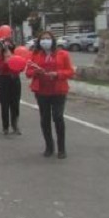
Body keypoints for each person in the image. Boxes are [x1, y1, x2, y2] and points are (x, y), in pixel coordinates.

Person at [26, 31, 74, 159]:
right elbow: (28, 72)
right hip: (42, 91)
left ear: (53, 40)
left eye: (48, 39)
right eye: (43, 39)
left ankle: (61, 148)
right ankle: (49, 146)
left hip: (58, 91)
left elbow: (70, 71)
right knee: (45, 119)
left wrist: (57, 74)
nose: (45, 41)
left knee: (58, 117)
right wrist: (36, 72)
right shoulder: (35, 55)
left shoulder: (62, 54)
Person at [0, 40, 22, 135]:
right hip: (4, 81)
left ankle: (15, 125)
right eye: (6, 44)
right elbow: (0, 68)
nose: (8, 45)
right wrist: (7, 60)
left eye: (9, 44)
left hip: (15, 80)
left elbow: (21, 68)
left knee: (15, 105)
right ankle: (5, 126)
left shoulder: (16, 56)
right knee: (4, 105)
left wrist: (14, 59)